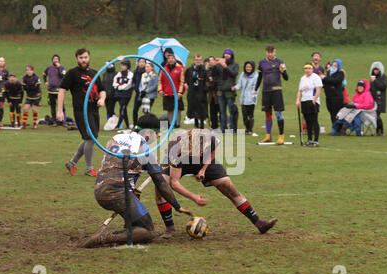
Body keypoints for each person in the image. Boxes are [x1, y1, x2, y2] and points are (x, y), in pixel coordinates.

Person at [81, 114, 191, 248]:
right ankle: (107, 237)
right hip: (118, 193)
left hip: (99, 189)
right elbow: (161, 183)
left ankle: (126, 228)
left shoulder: (116, 137)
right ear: (148, 133)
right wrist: (177, 206)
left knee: (136, 219)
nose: (157, 137)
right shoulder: (145, 150)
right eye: (156, 133)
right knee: (148, 232)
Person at [156, 128, 278, 238]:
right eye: (196, 152)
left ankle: (259, 223)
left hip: (204, 163)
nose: (199, 154)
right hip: (178, 162)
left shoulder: (210, 139)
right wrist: (194, 197)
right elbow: (174, 182)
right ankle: (170, 228)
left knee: (228, 187)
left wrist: (203, 169)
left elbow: (213, 152)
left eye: (201, 151)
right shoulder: (175, 149)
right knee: (161, 186)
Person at [57, 48, 106, 177]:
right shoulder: (72, 73)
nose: (83, 60)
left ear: (89, 57)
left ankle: (72, 163)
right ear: (77, 59)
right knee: (90, 137)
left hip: (94, 110)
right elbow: (62, 90)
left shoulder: (95, 73)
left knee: (90, 138)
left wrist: (102, 99)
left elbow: (102, 90)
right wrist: (60, 110)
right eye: (81, 58)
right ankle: (89, 168)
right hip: (81, 111)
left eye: (85, 57)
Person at [255, 45, 289, 145]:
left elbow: (286, 78)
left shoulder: (280, 62)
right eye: (268, 52)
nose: (270, 54)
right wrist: (255, 89)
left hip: (276, 91)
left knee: (278, 113)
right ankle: (268, 136)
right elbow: (259, 77)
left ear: (275, 52)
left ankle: (281, 136)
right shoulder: (262, 62)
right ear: (266, 52)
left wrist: (282, 72)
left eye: (272, 52)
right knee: (267, 113)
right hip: (266, 91)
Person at [296, 63, 323, 147]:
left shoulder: (316, 77)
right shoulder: (303, 78)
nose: (307, 70)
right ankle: (309, 139)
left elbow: (318, 89)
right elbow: (300, 90)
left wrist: (314, 100)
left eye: (309, 68)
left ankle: (316, 141)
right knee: (308, 121)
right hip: (304, 101)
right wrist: (298, 100)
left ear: (312, 69)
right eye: (306, 68)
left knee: (314, 120)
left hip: (312, 101)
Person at [213, 49, 239, 133]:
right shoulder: (220, 64)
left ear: (231, 55)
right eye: (225, 54)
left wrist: (225, 67)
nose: (226, 56)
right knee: (222, 111)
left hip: (230, 91)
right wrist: (215, 65)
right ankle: (223, 129)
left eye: (228, 54)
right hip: (220, 90)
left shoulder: (235, 64)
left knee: (231, 111)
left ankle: (232, 129)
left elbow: (234, 74)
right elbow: (214, 74)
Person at [158, 51, 185, 128]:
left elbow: (182, 81)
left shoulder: (180, 68)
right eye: (169, 58)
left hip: (176, 93)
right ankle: (171, 124)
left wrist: (180, 92)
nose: (170, 60)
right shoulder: (163, 69)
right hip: (167, 93)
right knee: (169, 109)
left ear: (175, 59)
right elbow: (160, 80)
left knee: (178, 109)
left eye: (172, 58)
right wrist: (160, 90)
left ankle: (177, 124)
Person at [233, 61, 259, 135]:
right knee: (244, 115)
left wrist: (253, 96)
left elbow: (256, 87)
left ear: (252, 67)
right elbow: (239, 85)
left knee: (250, 114)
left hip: (251, 98)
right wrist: (234, 87)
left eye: (250, 67)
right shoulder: (242, 74)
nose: (248, 68)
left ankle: (250, 129)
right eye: (247, 67)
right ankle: (247, 129)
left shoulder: (256, 76)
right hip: (243, 98)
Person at [185, 54, 208, 129]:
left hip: (201, 93)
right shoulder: (190, 70)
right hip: (192, 93)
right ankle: (195, 124)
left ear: (201, 61)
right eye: (196, 60)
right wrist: (186, 84)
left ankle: (201, 124)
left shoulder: (204, 70)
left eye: (199, 60)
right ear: (194, 60)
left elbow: (206, 81)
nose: (198, 61)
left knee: (201, 109)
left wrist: (205, 89)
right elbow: (186, 79)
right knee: (193, 109)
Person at [43, 54, 67, 126]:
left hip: (59, 90)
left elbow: (62, 76)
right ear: (52, 60)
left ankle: (63, 121)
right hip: (51, 90)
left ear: (59, 60)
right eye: (54, 59)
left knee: (62, 106)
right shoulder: (49, 68)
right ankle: (54, 121)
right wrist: (45, 81)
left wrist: (58, 68)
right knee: (52, 106)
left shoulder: (62, 68)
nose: (55, 60)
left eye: (57, 59)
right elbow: (44, 75)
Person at [321, 59, 344, 125]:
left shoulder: (340, 73)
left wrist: (325, 78)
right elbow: (325, 83)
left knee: (336, 113)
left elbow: (335, 81)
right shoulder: (329, 73)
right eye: (333, 64)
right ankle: (334, 128)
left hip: (336, 97)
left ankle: (338, 129)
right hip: (329, 96)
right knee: (331, 112)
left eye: (336, 65)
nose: (334, 66)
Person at [113, 59, 134, 129]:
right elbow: (114, 82)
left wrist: (119, 87)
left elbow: (128, 85)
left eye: (124, 65)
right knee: (123, 110)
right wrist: (118, 86)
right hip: (119, 94)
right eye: (122, 65)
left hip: (126, 95)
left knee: (122, 108)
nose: (122, 67)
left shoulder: (131, 75)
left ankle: (118, 125)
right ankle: (128, 125)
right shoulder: (119, 74)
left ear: (128, 66)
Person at [369, 62, 387, 136]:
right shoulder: (372, 77)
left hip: (380, 100)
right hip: (373, 100)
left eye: (377, 70)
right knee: (375, 115)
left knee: (377, 115)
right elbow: (371, 88)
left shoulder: (383, 77)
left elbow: (383, 86)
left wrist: (375, 81)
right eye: (374, 70)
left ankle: (381, 131)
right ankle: (378, 131)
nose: (375, 71)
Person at [21, 65, 42, 129]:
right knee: (25, 109)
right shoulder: (24, 78)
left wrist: (29, 87)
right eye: (27, 70)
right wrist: (31, 86)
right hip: (29, 96)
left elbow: (37, 87)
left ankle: (35, 124)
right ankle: (24, 124)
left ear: (32, 70)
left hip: (36, 96)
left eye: (30, 70)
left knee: (34, 109)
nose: (28, 71)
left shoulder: (36, 77)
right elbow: (24, 88)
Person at [205, 56, 220, 130]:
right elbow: (206, 82)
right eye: (209, 60)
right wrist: (209, 84)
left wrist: (212, 83)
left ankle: (222, 126)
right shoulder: (207, 71)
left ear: (215, 61)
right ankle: (214, 126)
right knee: (212, 111)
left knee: (220, 111)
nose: (211, 62)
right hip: (211, 95)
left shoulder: (219, 69)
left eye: (212, 60)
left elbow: (217, 81)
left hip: (218, 94)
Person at [0, 57, 9, 126]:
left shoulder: (6, 71)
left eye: (2, 61)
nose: (1, 62)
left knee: (1, 106)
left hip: (3, 92)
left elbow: (7, 80)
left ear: (4, 62)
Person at [132, 58, 146, 126]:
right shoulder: (135, 71)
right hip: (138, 94)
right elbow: (133, 81)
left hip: (145, 94)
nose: (141, 63)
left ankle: (146, 125)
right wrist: (135, 88)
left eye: (143, 62)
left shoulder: (147, 72)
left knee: (146, 111)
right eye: (140, 62)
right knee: (135, 110)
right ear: (138, 63)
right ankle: (135, 125)